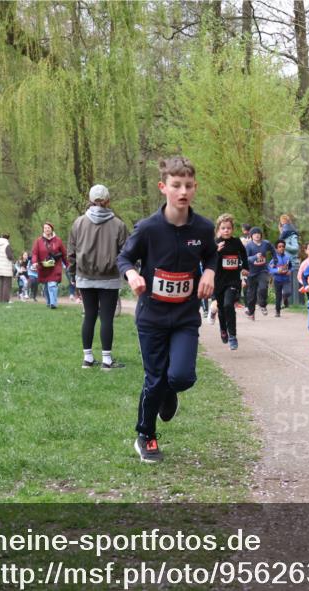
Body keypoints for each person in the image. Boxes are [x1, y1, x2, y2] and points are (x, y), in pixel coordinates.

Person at [118, 156, 216, 463]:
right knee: (154, 378)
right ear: (164, 188)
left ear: (195, 187)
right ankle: (146, 435)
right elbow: (123, 258)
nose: (182, 191)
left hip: (185, 316)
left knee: (182, 377)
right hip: (152, 317)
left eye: (188, 185)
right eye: (176, 185)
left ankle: (170, 389)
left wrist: (211, 272)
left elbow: (212, 255)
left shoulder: (203, 227)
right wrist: (132, 274)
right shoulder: (148, 229)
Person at [69, 183, 129, 370]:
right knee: (107, 318)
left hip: (85, 277)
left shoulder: (78, 223)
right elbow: (126, 252)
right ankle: (107, 360)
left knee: (89, 316)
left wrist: (72, 274)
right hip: (110, 278)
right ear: (108, 201)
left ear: (90, 200)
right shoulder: (119, 225)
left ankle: (87, 359)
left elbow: (71, 252)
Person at [213, 213, 248, 350]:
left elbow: (244, 254)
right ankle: (223, 329)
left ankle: (232, 335)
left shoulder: (236, 242)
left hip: (233, 281)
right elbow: (207, 260)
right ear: (218, 230)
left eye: (228, 228)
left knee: (229, 305)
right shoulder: (215, 243)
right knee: (221, 308)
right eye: (223, 228)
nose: (226, 230)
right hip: (219, 281)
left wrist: (245, 267)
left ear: (232, 229)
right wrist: (216, 251)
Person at [32, 222, 67, 309]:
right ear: (43, 230)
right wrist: (34, 262)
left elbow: (64, 253)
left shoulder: (58, 240)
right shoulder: (38, 241)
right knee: (46, 286)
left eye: (48, 228)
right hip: (43, 267)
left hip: (55, 266)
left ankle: (53, 303)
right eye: (45, 228)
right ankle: (48, 302)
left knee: (52, 284)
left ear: (52, 229)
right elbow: (35, 253)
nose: (47, 229)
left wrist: (68, 264)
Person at [243, 227, 275, 319]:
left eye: (258, 233)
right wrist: (254, 257)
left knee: (263, 288)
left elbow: (273, 251)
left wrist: (274, 261)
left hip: (262, 271)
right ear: (251, 236)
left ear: (261, 235)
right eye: (254, 233)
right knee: (251, 295)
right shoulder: (248, 246)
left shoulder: (266, 244)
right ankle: (251, 313)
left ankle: (263, 305)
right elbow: (245, 258)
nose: (257, 235)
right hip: (251, 272)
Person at [277, 214, 301, 305]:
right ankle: (284, 302)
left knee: (291, 287)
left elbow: (295, 248)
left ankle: (292, 303)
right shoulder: (283, 236)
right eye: (282, 226)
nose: (283, 228)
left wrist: (285, 246)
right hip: (283, 264)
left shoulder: (292, 235)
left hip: (291, 263)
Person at [268, 240, 293, 317]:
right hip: (277, 280)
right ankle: (277, 311)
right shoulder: (274, 259)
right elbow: (270, 269)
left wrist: (289, 271)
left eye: (283, 246)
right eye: (279, 247)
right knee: (278, 296)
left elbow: (291, 267)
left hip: (286, 279)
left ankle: (285, 299)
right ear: (276, 249)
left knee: (287, 292)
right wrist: (277, 270)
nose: (281, 248)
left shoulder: (288, 258)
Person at [0, 234, 15, 303]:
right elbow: (9, 256)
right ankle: (6, 300)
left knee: (1, 283)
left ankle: (0, 299)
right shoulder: (7, 245)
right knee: (7, 284)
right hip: (6, 267)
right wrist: (13, 257)